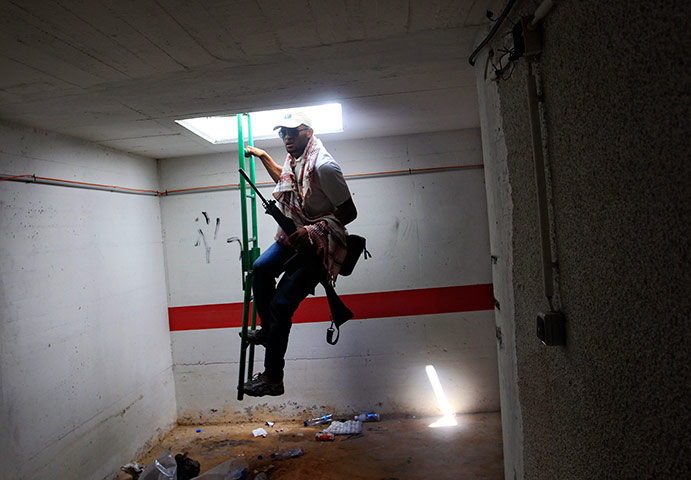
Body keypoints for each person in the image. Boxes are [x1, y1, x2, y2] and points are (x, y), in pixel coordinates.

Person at [242, 111, 357, 397]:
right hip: (295, 234)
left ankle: (272, 378)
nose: (287, 137)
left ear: (310, 131)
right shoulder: (296, 161)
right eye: (282, 132)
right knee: (261, 268)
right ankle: (269, 331)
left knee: (281, 305)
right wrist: (262, 156)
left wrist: (313, 230)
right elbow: (285, 179)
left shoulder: (324, 166)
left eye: (293, 131)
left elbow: (349, 213)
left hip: (321, 243)